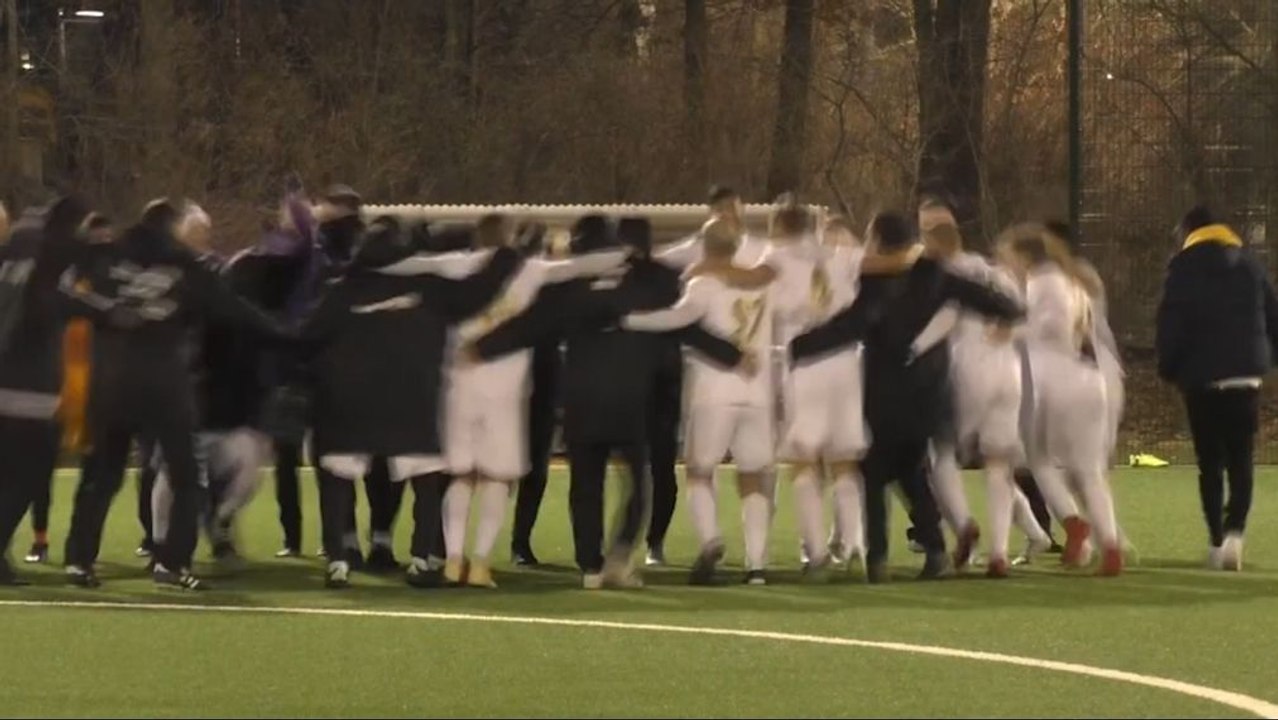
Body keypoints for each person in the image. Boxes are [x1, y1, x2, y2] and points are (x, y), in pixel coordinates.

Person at [470, 215, 743, 589]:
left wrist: (482, 348)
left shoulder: (569, 287)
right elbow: (684, 324)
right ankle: (621, 554)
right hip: (630, 395)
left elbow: (529, 326)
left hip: (583, 396)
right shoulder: (650, 280)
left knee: (586, 484)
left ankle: (590, 566)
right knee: (637, 483)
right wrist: (731, 353)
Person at [381, 213, 626, 587]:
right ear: (509, 239)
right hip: (506, 393)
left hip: (459, 386)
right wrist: (628, 254)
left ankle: (452, 559)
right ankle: (480, 563)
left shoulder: (457, 265)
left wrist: (370, 262)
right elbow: (578, 267)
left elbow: (413, 266)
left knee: (461, 476)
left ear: (479, 239)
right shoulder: (529, 270)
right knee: (497, 479)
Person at [62, 199, 287, 590]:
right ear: (174, 227)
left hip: (111, 383)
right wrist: (287, 334)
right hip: (165, 385)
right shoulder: (183, 265)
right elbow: (233, 309)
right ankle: (172, 563)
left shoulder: (105, 255)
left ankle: (79, 561)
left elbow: (63, 289)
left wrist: (108, 311)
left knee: (101, 476)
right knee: (186, 478)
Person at [789, 211, 1024, 583]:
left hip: (885, 392)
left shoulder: (875, 284)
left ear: (879, 241)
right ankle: (933, 552)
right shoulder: (936, 275)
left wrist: (797, 346)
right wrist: (1008, 315)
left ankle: (879, 557)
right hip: (930, 391)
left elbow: (851, 325)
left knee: (876, 470)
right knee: (912, 469)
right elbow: (995, 301)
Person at [299, 215, 524, 589]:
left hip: (349, 399)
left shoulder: (343, 289)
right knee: (425, 478)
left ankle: (338, 560)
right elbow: (478, 293)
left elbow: (307, 338)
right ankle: (422, 560)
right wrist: (507, 256)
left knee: (338, 477)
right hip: (411, 396)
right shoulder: (427, 286)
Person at [622, 218, 771, 585]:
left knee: (700, 472)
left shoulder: (703, 283)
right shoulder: (763, 284)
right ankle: (756, 566)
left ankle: (711, 540)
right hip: (758, 392)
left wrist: (627, 319)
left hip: (713, 393)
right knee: (753, 478)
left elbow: (676, 319)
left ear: (704, 247)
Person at [908, 218, 1050, 576]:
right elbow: (1026, 319)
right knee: (999, 464)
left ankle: (961, 526)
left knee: (938, 457)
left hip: (970, 374)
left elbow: (944, 321)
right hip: (1010, 374)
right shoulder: (997, 275)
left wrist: (911, 349)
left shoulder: (948, 278)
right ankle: (1001, 551)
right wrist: (1011, 333)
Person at [1156, 206, 1278, 571]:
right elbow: (1273, 316)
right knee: (1242, 459)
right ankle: (1235, 533)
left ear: (1188, 232)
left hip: (1201, 378)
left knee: (1210, 463)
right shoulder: (1251, 265)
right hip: (1245, 376)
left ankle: (1215, 539)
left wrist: (1170, 367)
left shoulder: (1181, 269)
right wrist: (1266, 358)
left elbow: (1171, 324)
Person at [1001, 224, 1123, 576]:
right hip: (1089, 379)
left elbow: (1051, 327)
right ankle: (1110, 545)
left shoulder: (1043, 281)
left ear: (1025, 256)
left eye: (1009, 254)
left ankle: (1072, 522)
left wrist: (1011, 331)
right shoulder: (1073, 280)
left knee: (1036, 458)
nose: (1006, 261)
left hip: (1056, 383)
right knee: (1088, 472)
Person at [0, 197, 104, 584]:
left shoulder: (12, 255)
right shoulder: (53, 258)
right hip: (30, 387)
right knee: (27, 476)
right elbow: (60, 302)